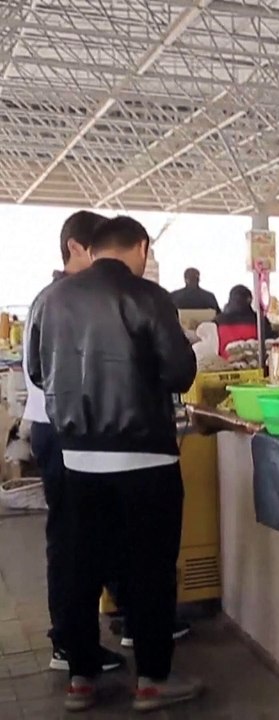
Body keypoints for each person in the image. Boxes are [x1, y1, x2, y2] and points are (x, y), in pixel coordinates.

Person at [26, 215, 203, 712]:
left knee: (82, 567)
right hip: (145, 454)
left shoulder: (51, 299)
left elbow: (38, 373)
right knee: (149, 569)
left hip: (77, 457)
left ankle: (81, 678)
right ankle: (151, 679)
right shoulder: (148, 296)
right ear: (141, 248)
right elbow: (180, 371)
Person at [23, 211, 127, 675]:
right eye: (101, 253)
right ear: (76, 249)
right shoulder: (57, 300)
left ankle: (96, 631)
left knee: (93, 536)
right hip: (61, 428)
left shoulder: (68, 298)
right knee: (70, 541)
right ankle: (68, 643)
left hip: (76, 427)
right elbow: (41, 372)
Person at [214, 285, 276, 356]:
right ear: (249, 300)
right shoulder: (259, 320)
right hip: (255, 362)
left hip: (224, 363)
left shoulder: (218, 321)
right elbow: (269, 343)